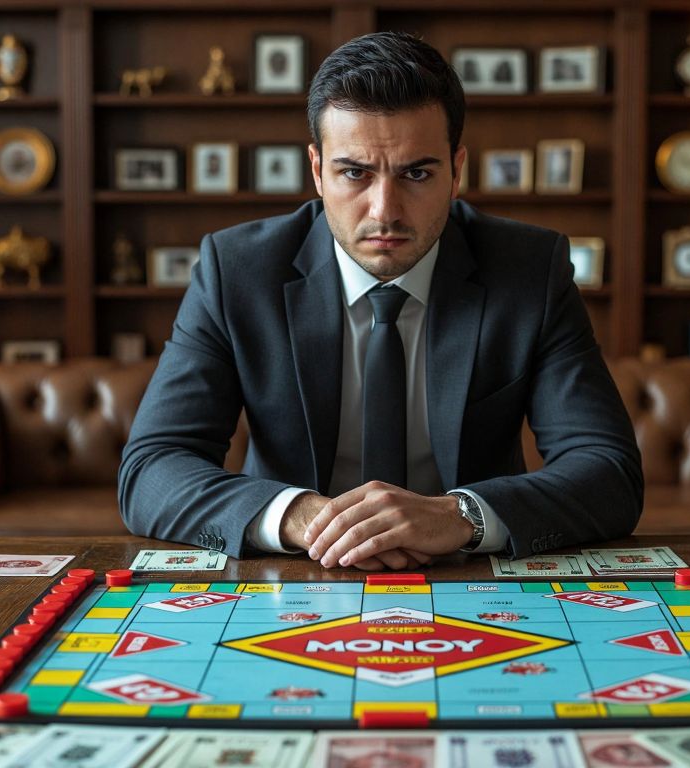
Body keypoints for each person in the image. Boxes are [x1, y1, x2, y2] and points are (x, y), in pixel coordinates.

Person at [119, 32, 642, 570]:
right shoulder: (237, 272)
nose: (384, 210)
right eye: (355, 172)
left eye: (416, 173)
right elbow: (153, 467)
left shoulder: (531, 270)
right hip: (294, 571)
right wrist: (307, 519)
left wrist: (462, 517)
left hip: (468, 574)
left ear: (457, 171)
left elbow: (608, 470)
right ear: (318, 171)